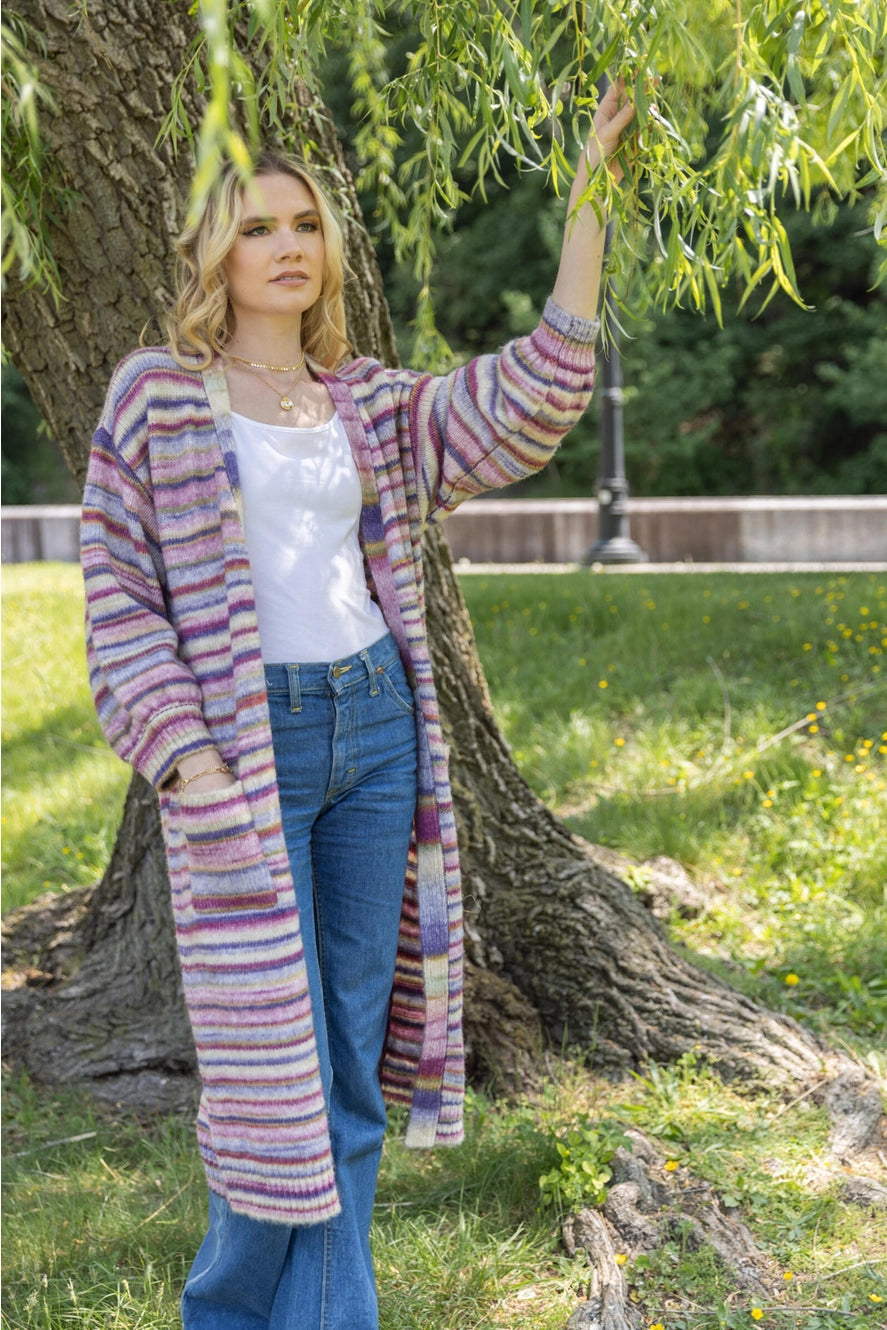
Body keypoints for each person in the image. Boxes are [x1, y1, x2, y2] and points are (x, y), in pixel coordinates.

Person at [81, 81, 636, 1330]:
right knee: (265, 1075)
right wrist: (186, 761)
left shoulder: (369, 404)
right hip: (245, 751)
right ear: (213, 253)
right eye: (257, 226)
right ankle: (227, 1309)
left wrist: (589, 196)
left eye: (305, 226)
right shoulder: (156, 400)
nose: (287, 247)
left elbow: (535, 391)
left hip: (376, 732)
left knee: (343, 1054)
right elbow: (116, 599)